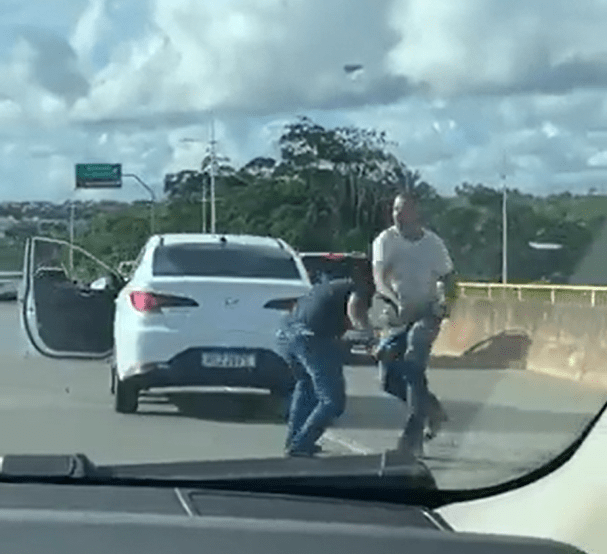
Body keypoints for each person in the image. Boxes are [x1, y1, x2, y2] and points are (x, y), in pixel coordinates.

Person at [371, 190, 455, 457]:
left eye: (403, 209)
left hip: (427, 313)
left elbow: (450, 277)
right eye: (395, 209)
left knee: (412, 365)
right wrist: (393, 299)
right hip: (396, 314)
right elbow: (379, 278)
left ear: (416, 213)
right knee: (388, 380)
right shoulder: (386, 240)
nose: (397, 214)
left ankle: (411, 441)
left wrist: (447, 303)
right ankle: (432, 410)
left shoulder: (433, 244)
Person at [276, 269, 373, 457]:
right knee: (333, 401)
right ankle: (301, 444)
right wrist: (369, 334)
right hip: (313, 339)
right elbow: (355, 313)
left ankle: (294, 440)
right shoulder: (358, 288)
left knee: (306, 387)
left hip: (288, 335)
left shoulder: (329, 287)